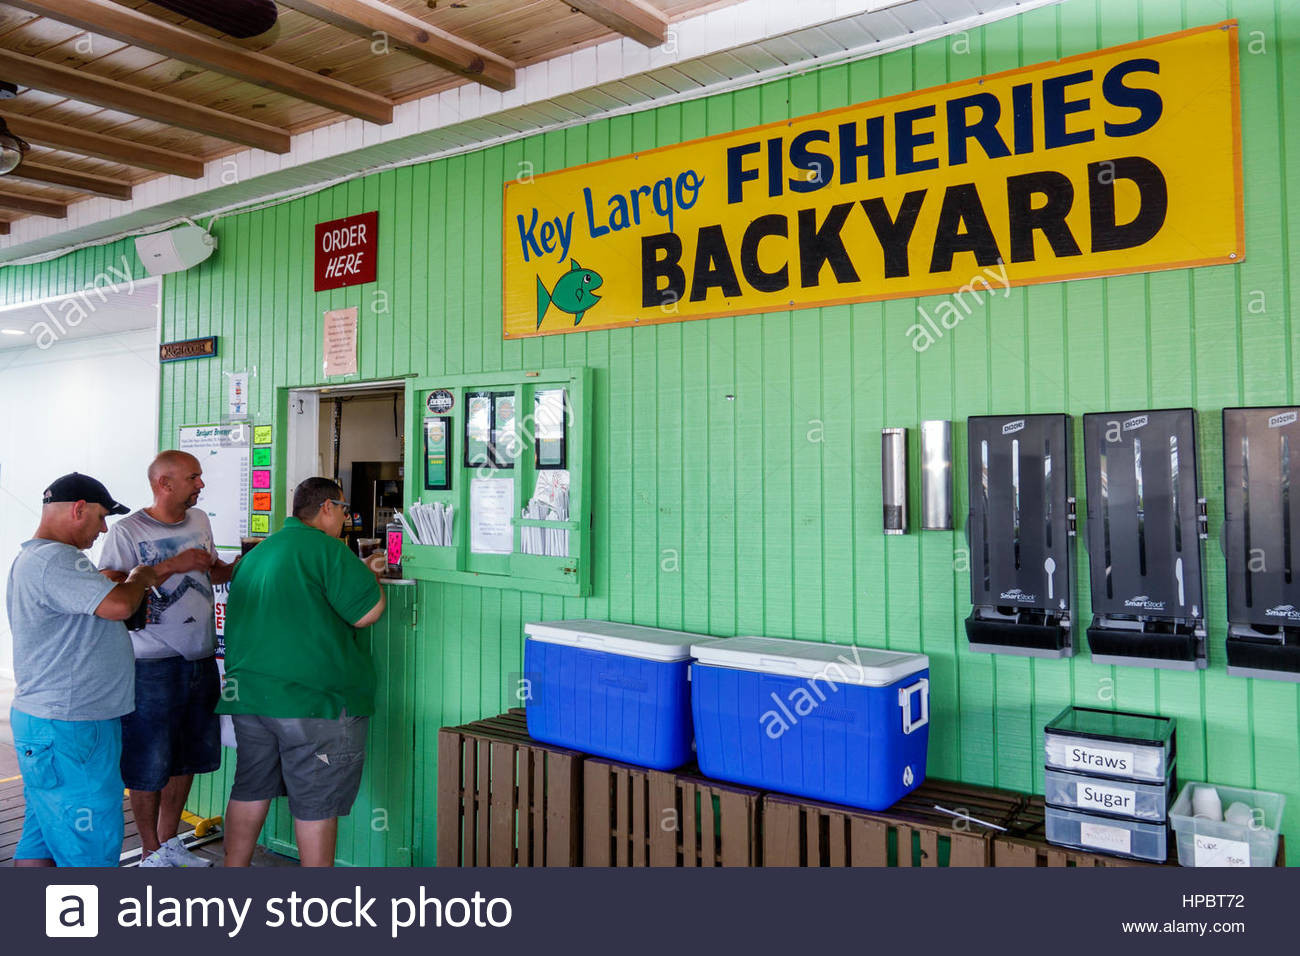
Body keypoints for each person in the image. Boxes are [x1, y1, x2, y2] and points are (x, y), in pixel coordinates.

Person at [217, 477, 387, 867]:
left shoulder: (259, 553)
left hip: (250, 697)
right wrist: (372, 573)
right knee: (316, 803)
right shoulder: (326, 549)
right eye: (344, 509)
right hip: (313, 702)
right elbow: (367, 613)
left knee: (250, 788)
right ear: (327, 507)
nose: (346, 517)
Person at [7, 473, 161, 866]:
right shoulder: (56, 559)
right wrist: (140, 578)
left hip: (51, 722)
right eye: (100, 517)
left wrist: (107, 583)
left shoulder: (33, 557)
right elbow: (120, 607)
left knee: (41, 838)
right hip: (73, 727)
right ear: (78, 509)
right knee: (90, 850)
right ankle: (86, 925)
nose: (103, 528)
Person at [100, 450, 234, 867]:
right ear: (165, 483)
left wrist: (248, 562)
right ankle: (149, 852)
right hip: (150, 663)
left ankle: (168, 842)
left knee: (187, 756)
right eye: (194, 477)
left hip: (201, 657)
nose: (201, 484)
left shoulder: (201, 521)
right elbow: (107, 585)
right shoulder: (127, 531)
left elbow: (212, 572)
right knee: (149, 761)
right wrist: (173, 565)